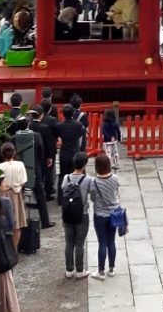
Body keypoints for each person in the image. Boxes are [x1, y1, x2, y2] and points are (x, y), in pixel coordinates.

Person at [62, 151, 92, 279]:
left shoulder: (66, 178)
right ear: (85, 164)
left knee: (69, 242)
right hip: (82, 214)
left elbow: (64, 190)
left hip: (68, 214)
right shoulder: (88, 179)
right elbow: (93, 193)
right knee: (79, 243)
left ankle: (69, 269)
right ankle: (80, 270)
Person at [90, 153, 121, 280]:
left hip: (100, 215)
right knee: (111, 241)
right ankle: (112, 268)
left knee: (102, 242)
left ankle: (101, 271)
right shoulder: (115, 178)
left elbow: (92, 198)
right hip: (113, 213)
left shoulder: (94, 182)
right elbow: (117, 192)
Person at [0, 142, 28, 250]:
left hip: (4, 194)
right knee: (17, 224)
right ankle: (14, 249)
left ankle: (4, 249)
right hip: (17, 194)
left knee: (3, 223)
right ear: (14, 152)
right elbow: (24, 181)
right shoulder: (20, 165)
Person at [55, 104, 87, 205]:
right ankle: (79, 194)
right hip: (75, 151)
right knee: (78, 174)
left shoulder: (59, 126)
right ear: (73, 113)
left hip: (64, 152)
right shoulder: (78, 125)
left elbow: (57, 136)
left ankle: (60, 198)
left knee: (62, 175)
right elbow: (81, 136)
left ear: (63, 114)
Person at [40, 98, 59, 200]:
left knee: (41, 170)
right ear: (50, 109)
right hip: (50, 147)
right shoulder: (52, 120)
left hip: (39, 147)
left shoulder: (38, 118)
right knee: (49, 170)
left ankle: (41, 189)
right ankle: (48, 191)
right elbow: (57, 132)